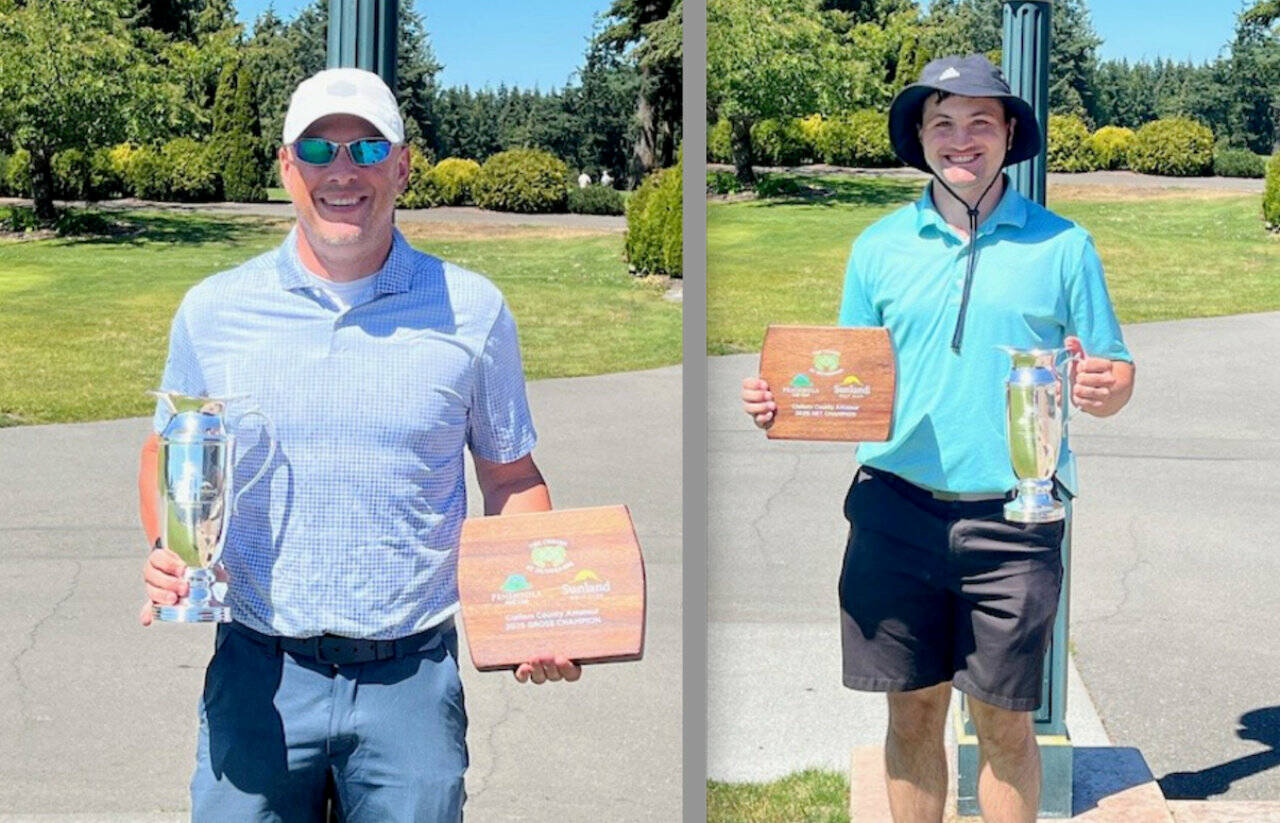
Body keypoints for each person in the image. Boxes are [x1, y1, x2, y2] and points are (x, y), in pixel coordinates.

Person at [138, 68, 579, 822]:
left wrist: (540, 608)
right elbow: (169, 451)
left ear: (403, 166)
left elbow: (509, 477)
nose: (342, 170)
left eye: (367, 148)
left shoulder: (471, 310)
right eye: (318, 147)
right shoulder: (213, 311)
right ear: (286, 166)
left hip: (410, 675)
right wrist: (168, 546)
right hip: (259, 671)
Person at [741, 54, 1135, 823]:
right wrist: (783, 399)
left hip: (1016, 518)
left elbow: (1113, 370)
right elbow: (848, 378)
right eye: (942, 123)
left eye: (979, 123)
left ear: (1009, 134)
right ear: (920, 137)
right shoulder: (878, 248)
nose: (961, 140)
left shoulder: (1063, 246)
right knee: (911, 714)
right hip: (893, 511)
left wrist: (1107, 385)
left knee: (1004, 722)